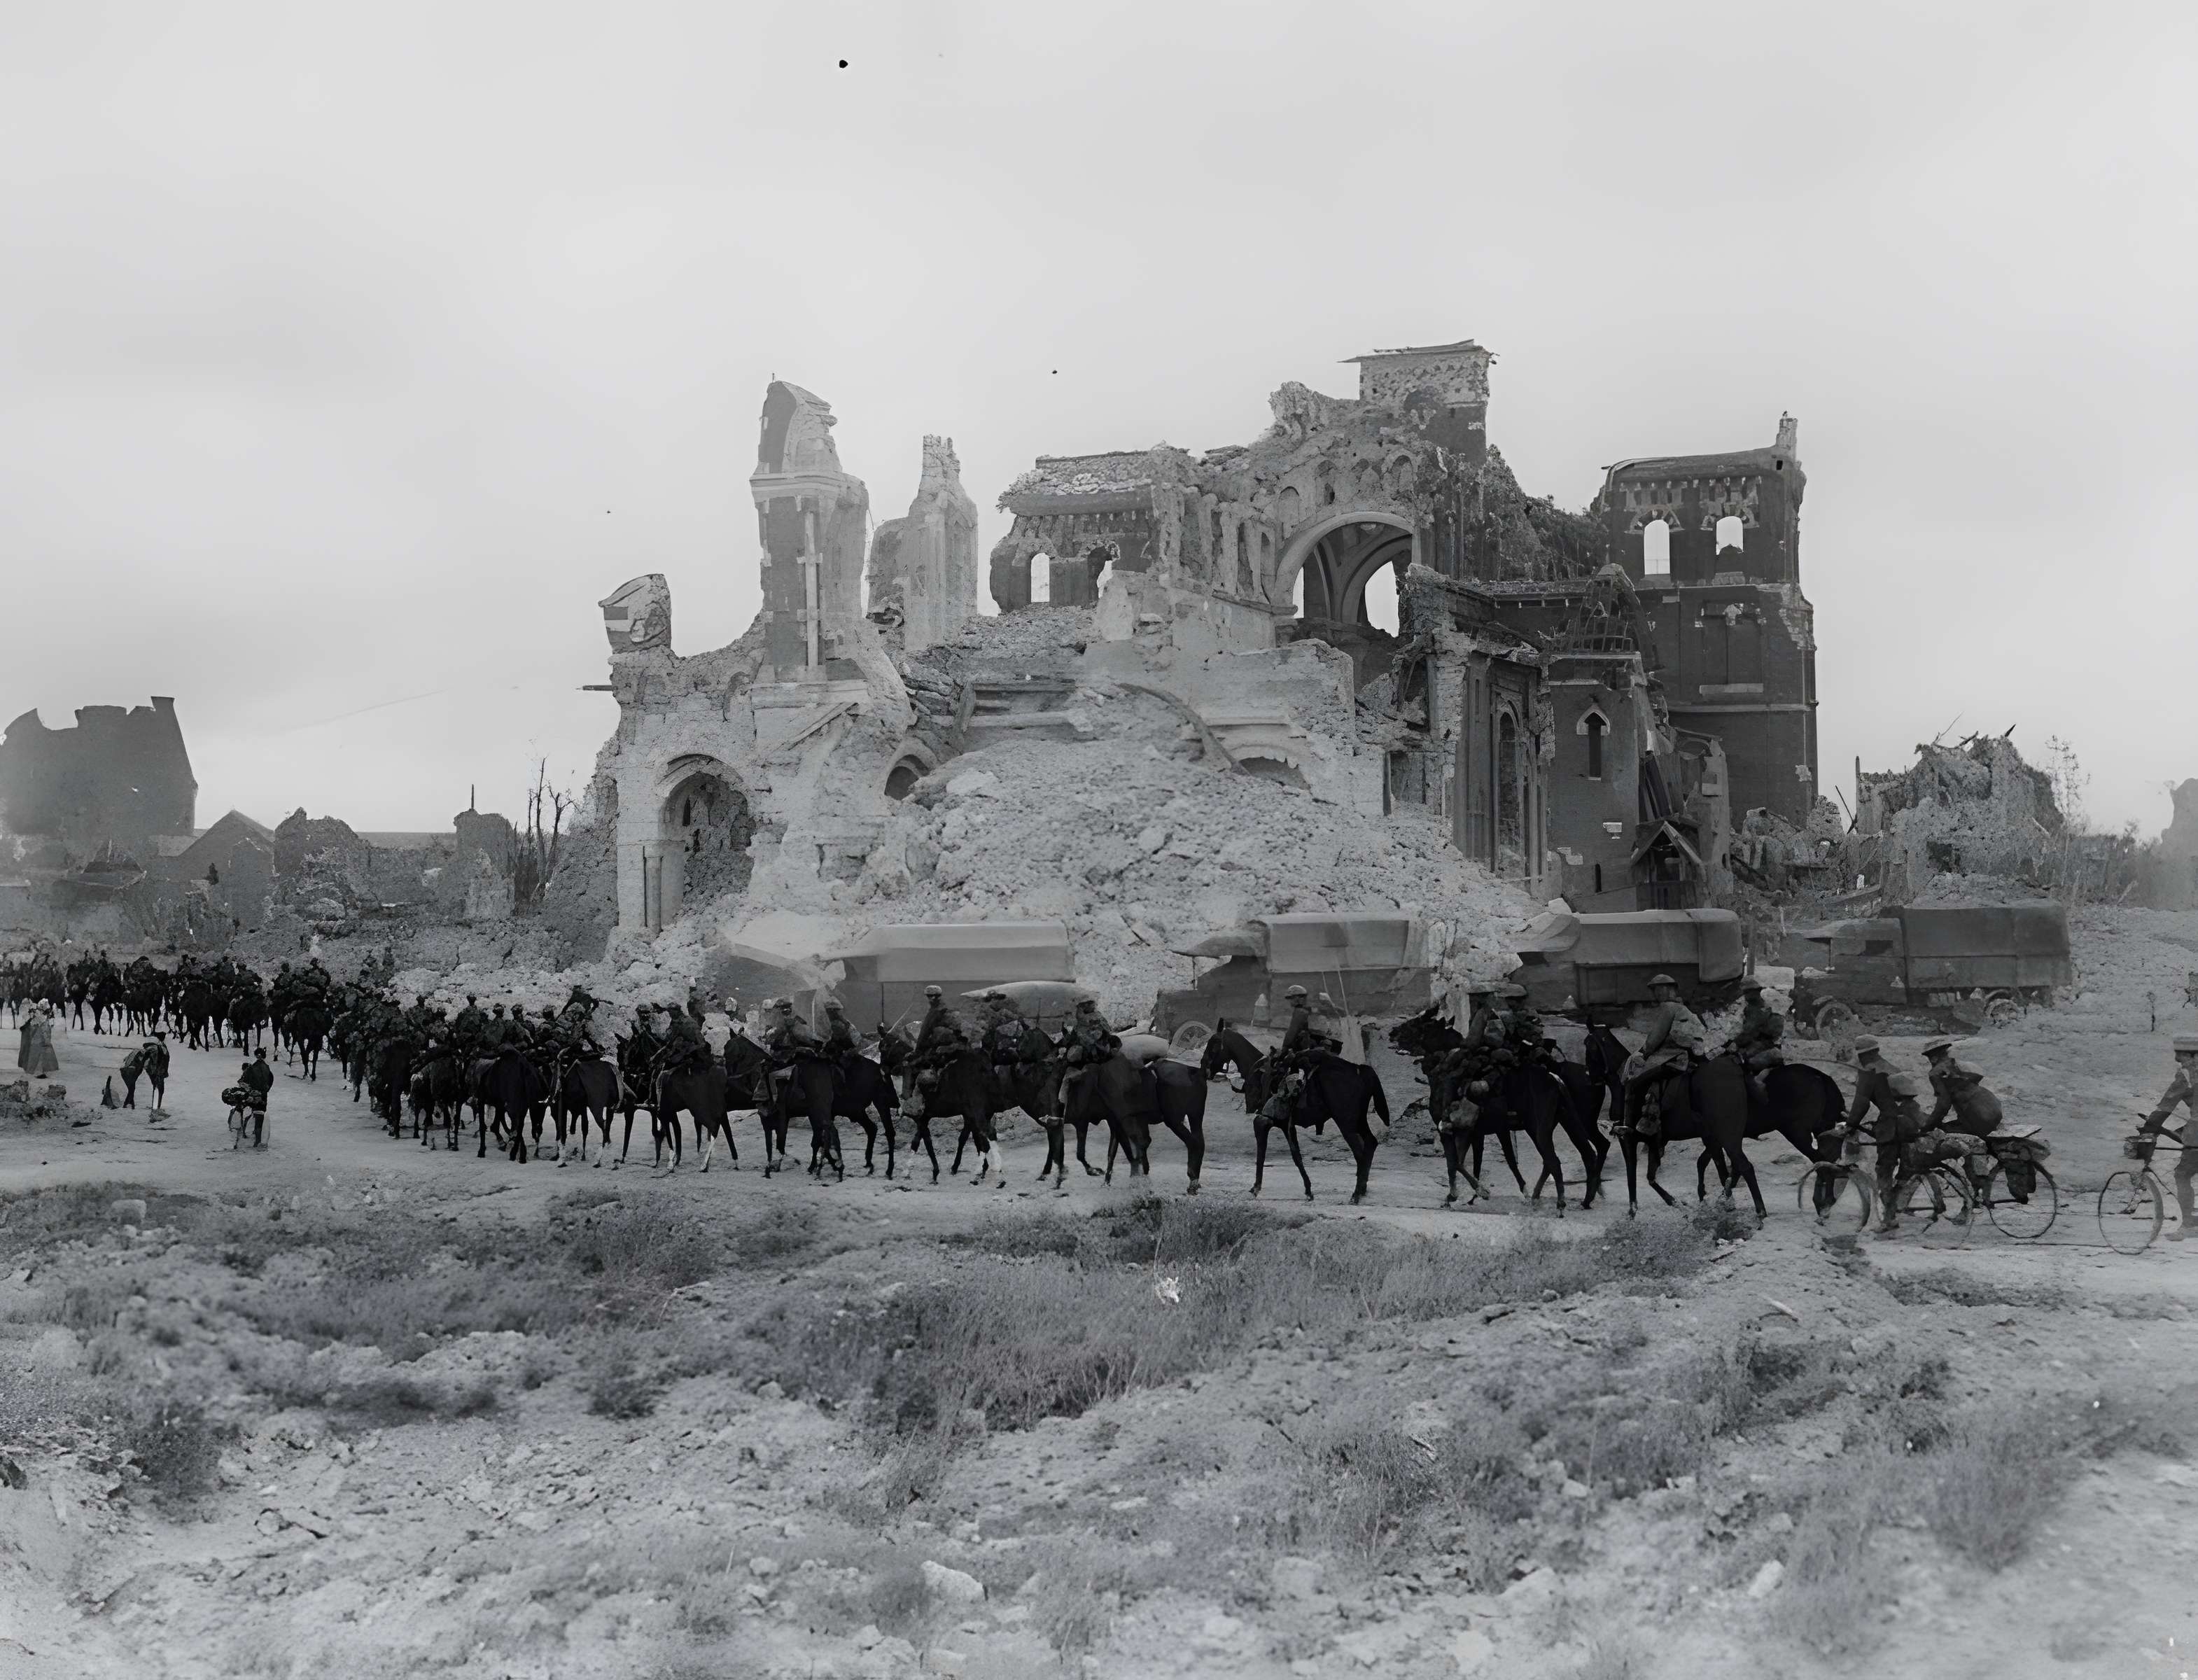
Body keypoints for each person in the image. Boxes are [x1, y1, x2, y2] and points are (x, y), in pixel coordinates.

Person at [1621, 974, 1706, 1140]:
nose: (1657, 993)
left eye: (1661, 989)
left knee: (1636, 1082)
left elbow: (1655, 1038)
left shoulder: (1669, 1008)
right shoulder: (1683, 1008)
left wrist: (1643, 1054)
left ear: (1671, 989)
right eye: (1655, 990)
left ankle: (1639, 1124)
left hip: (1672, 1059)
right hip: (1683, 1056)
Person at [2138, 1034, 2198, 1241]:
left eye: (2180, 1056)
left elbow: (2166, 1105)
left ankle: (2190, 1225)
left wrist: (2149, 1127)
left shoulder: (2187, 1076)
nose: (2177, 1060)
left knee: (2182, 1175)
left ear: (2192, 1055)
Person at [1842, 1035, 1908, 1210]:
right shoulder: (1892, 1067)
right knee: (1908, 1166)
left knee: (1884, 1170)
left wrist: (1850, 1125)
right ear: (1877, 1051)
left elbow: (1861, 1103)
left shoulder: (1869, 1071)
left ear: (1862, 1056)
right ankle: (1903, 1199)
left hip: (1892, 1125)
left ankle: (1889, 1218)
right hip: (1911, 1121)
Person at [1922, 1037, 2003, 1139]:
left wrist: (1928, 1127)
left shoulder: (1935, 1073)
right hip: (1993, 1109)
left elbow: (1943, 1104)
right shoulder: (1957, 1064)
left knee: (1942, 1132)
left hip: (1980, 1118)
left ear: (1933, 1058)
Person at [238, 1046, 274, 1149]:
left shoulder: (251, 1068)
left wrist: (249, 1090)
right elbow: (271, 1081)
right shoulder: (267, 1068)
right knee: (260, 1117)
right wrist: (265, 1091)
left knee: (249, 1113)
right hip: (263, 1096)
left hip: (253, 1096)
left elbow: (243, 1081)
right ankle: (258, 1140)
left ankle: (246, 1133)